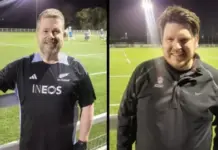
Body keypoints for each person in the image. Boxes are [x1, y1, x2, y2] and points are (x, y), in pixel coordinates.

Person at [117, 5, 218, 150]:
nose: (176, 46)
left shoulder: (214, 79)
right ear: (162, 41)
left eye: (183, 40)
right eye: (170, 39)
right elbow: (126, 119)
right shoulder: (142, 73)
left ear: (196, 41)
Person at [0, 8, 96, 150]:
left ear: (64, 35)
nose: (51, 36)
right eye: (45, 31)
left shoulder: (76, 68)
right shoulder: (21, 66)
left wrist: (82, 142)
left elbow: (87, 104)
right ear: (37, 35)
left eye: (56, 31)